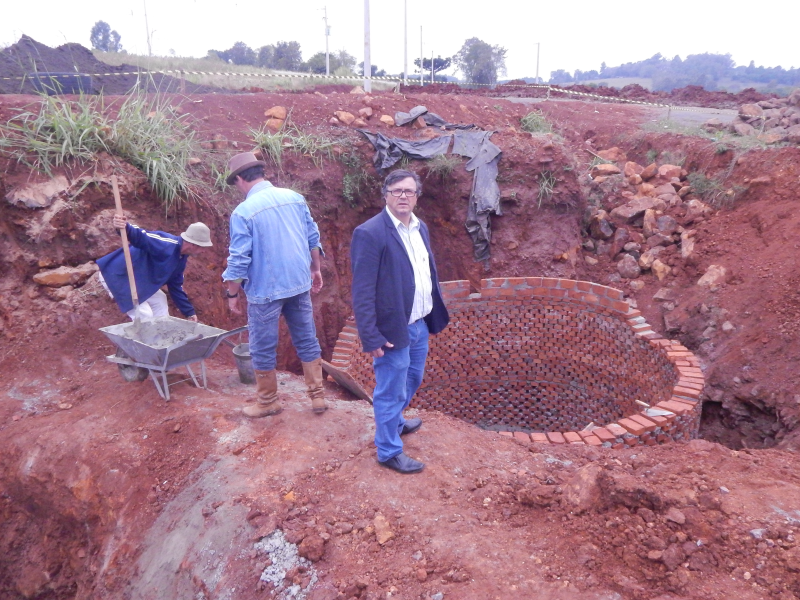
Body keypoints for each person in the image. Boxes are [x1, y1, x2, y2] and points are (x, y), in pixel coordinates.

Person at [350, 169, 450, 474]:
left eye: (409, 191)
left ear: (417, 196)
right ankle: (388, 451)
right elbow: (362, 289)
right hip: (393, 328)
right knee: (390, 389)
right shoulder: (370, 233)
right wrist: (370, 335)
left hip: (419, 323)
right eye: (396, 191)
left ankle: (394, 421)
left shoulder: (421, 228)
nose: (403, 196)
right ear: (386, 195)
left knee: (412, 379)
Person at [222, 151, 326, 418]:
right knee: (307, 338)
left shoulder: (243, 212)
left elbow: (239, 259)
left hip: (265, 291)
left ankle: (268, 401)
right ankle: (317, 397)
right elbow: (312, 237)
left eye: (236, 183)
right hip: (298, 283)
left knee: (262, 347)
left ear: (240, 179)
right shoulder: (294, 198)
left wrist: (231, 293)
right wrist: (315, 269)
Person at [97, 214, 212, 322]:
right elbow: (142, 236)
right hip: (119, 276)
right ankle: (145, 336)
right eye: (203, 247)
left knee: (160, 300)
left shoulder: (181, 259)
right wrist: (125, 227)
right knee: (145, 315)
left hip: (138, 280)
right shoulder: (166, 244)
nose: (203, 251)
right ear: (193, 244)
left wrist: (189, 312)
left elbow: (175, 286)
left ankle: (160, 335)